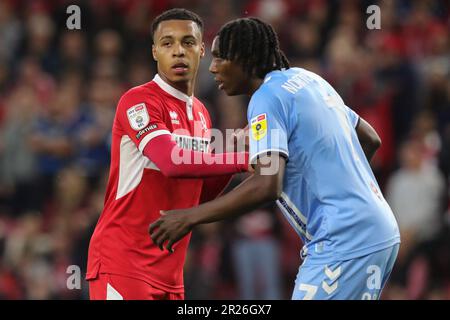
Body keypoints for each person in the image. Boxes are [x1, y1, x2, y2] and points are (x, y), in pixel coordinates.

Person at [149, 17, 401, 300]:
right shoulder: (309, 79)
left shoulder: (265, 98)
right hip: (380, 230)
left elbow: (267, 184)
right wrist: (333, 181)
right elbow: (369, 138)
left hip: (344, 238)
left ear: (244, 58)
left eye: (221, 58)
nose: (213, 68)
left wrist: (190, 218)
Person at [86, 9, 249, 300]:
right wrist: (242, 160)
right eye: (167, 43)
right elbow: (172, 162)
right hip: (123, 264)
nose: (178, 52)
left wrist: (234, 152)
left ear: (202, 49)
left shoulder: (201, 113)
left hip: (170, 274)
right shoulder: (138, 100)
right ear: (154, 51)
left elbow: (198, 195)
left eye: (187, 42)